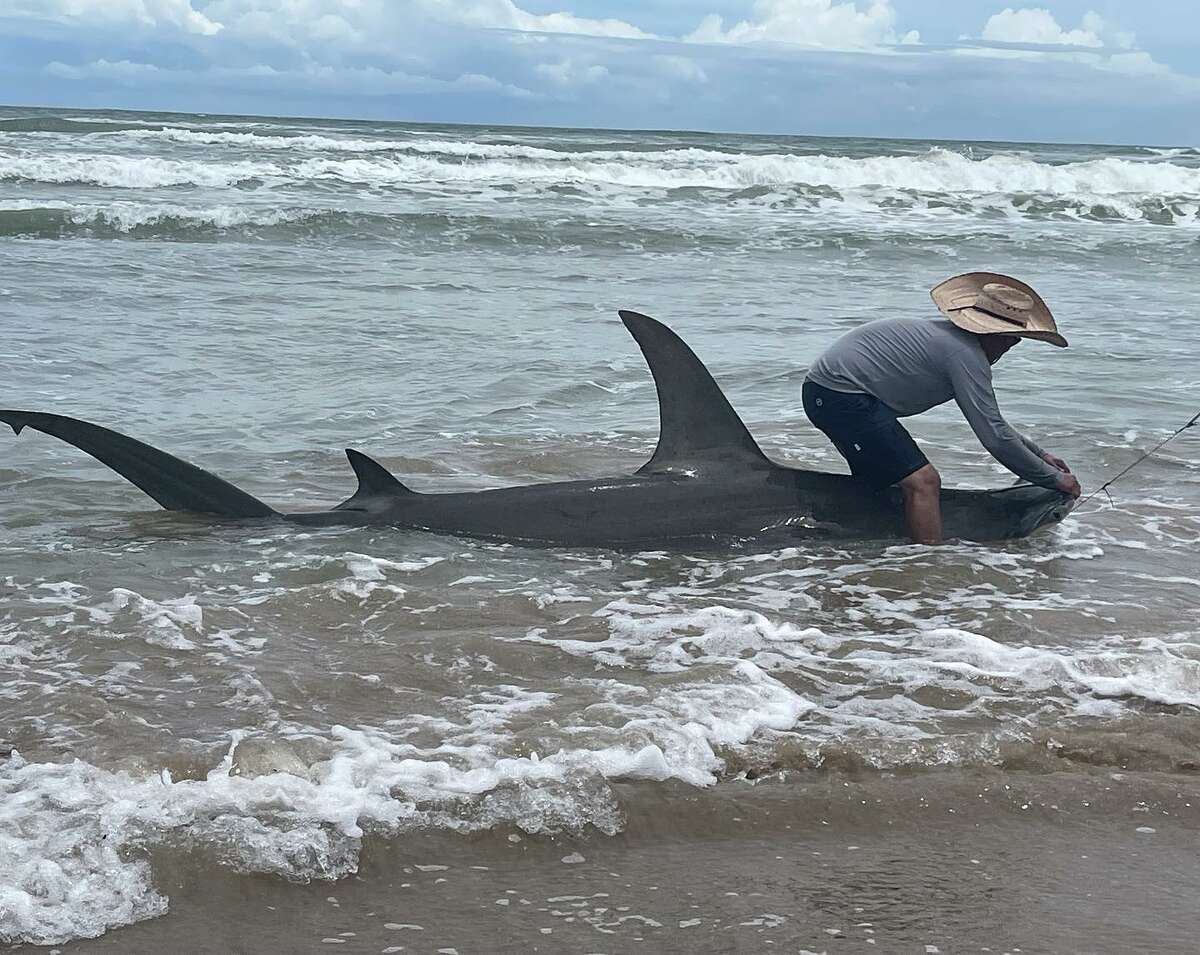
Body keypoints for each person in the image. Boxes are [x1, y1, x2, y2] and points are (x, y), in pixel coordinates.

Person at [802, 272, 1082, 544]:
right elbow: (994, 438)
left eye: (1016, 336)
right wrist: (1056, 480)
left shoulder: (956, 344)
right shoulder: (964, 354)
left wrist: (1041, 454)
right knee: (923, 482)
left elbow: (992, 422)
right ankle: (928, 563)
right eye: (1009, 336)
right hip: (838, 394)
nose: (1014, 343)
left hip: (834, 392)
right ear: (990, 332)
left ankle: (855, 534)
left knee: (884, 481)